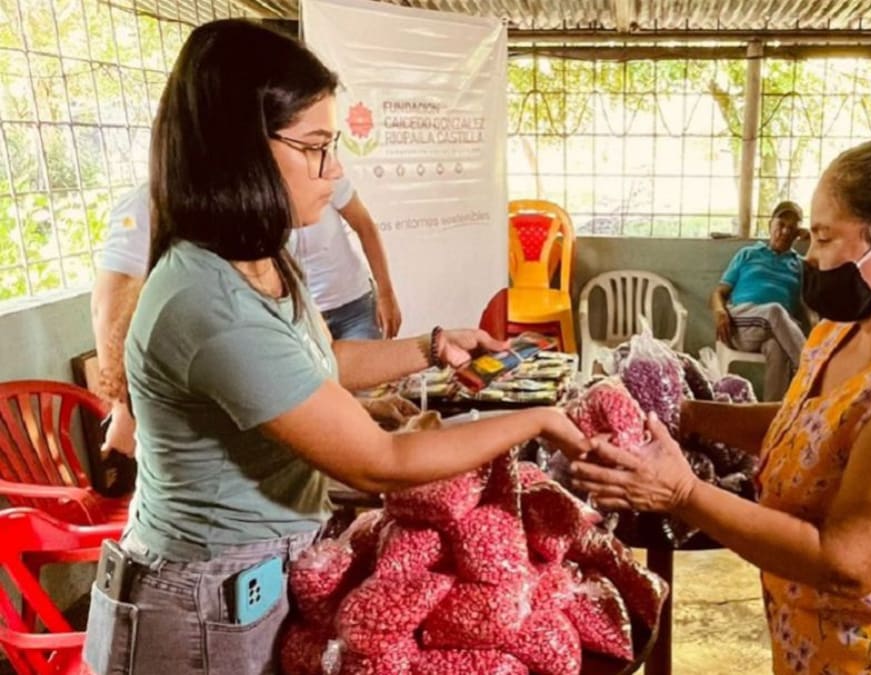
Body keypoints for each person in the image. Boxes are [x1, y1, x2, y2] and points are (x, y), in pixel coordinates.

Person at [82, 20, 588, 674]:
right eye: (317, 146)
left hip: (262, 577)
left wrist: (433, 347)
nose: (335, 168)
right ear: (242, 149)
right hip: (198, 612)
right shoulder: (203, 301)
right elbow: (377, 460)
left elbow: (318, 368)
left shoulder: (263, 257)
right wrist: (539, 418)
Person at [572, 138, 871, 674]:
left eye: (824, 237)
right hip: (826, 649)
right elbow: (810, 426)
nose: (809, 257)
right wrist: (688, 414)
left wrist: (682, 491)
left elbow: (848, 562)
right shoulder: (847, 329)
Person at [91, 172, 400, 456]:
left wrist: (364, 407)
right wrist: (122, 407)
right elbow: (109, 305)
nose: (329, 168)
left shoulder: (255, 231)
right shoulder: (153, 213)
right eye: (312, 148)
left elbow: (312, 370)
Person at [711, 200, 810, 400]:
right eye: (781, 224)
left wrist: (813, 238)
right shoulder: (748, 254)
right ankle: (812, 371)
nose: (784, 231)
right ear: (770, 225)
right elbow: (718, 293)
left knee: (778, 348)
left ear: (797, 233)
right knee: (774, 310)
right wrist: (720, 311)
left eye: (791, 228)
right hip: (741, 324)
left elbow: (808, 305)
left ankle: (771, 417)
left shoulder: (799, 264)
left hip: (778, 329)